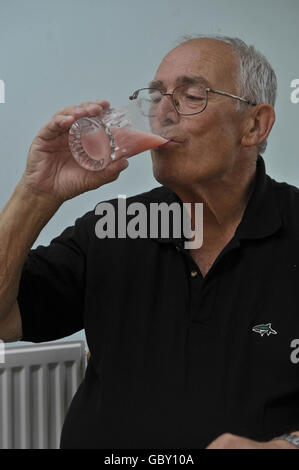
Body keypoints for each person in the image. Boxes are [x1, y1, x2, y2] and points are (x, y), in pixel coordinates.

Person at [0, 34, 299, 449]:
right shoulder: (117, 224)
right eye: (155, 97)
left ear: (254, 125)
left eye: (191, 95)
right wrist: (36, 194)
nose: (162, 113)